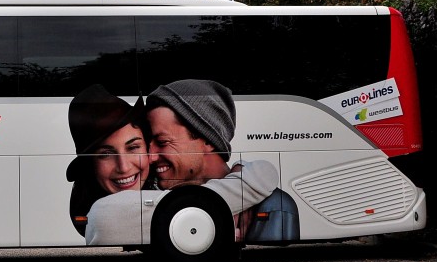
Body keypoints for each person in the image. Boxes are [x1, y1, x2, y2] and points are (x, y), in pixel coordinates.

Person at [82, 79, 298, 246]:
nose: (152, 156)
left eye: (163, 142)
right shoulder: (254, 182)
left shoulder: (274, 206)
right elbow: (105, 215)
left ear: (207, 140)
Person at [64, 84, 152, 236]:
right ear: (91, 165)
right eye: (106, 154)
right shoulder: (92, 217)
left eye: (133, 148)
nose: (123, 167)